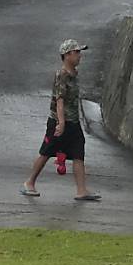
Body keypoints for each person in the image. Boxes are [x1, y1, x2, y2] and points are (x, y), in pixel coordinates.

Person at [21, 39, 100, 200]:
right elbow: (60, 100)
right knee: (46, 152)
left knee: (78, 154)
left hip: (73, 122)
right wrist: (61, 123)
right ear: (67, 55)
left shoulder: (74, 74)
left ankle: (81, 190)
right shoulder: (62, 75)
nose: (79, 56)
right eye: (76, 52)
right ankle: (29, 182)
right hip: (59, 122)